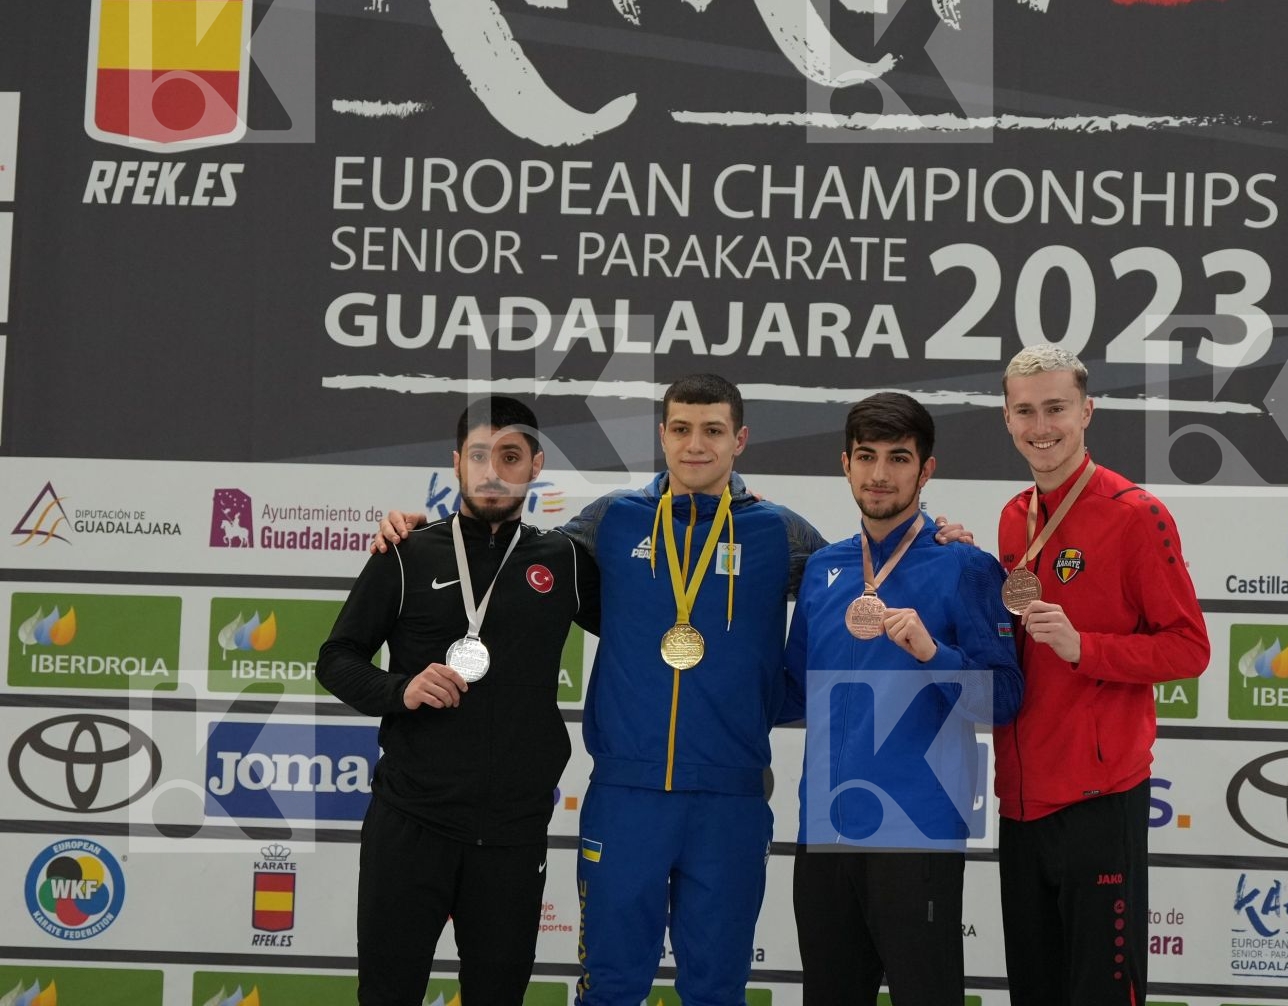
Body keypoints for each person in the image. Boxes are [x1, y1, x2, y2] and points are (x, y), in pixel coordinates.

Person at [371, 374, 973, 1006]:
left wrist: (933, 541)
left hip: (730, 801)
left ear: (739, 439)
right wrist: (421, 531)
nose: (696, 446)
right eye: (681, 429)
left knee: (715, 991)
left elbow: (864, 578)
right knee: (610, 987)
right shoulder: (612, 519)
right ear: (662, 435)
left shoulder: (780, 534)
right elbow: (510, 560)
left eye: (713, 431)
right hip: (626, 796)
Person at [318, 395, 600, 1006]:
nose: (493, 469)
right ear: (455, 464)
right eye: (479, 455)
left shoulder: (565, 561)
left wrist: (730, 513)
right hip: (411, 823)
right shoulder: (407, 553)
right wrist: (401, 689)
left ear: (536, 464)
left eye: (510, 455)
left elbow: (655, 618)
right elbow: (335, 658)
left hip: (513, 834)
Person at [780, 393, 1022, 1006]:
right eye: (866, 457)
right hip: (825, 832)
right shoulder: (823, 569)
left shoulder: (965, 566)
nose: (880, 474)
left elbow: (1005, 700)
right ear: (845, 464)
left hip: (919, 834)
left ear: (927, 469)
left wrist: (931, 654)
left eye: (898, 457)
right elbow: (789, 692)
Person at [992, 345, 1211, 1006]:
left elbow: (1189, 649)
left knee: (1101, 995)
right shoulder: (1011, 518)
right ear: (1006, 419)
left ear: (1086, 410)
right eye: (1025, 410)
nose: (1041, 425)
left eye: (1055, 408)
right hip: (1021, 799)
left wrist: (1086, 648)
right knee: (1036, 991)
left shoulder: (1134, 514)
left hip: (1099, 796)